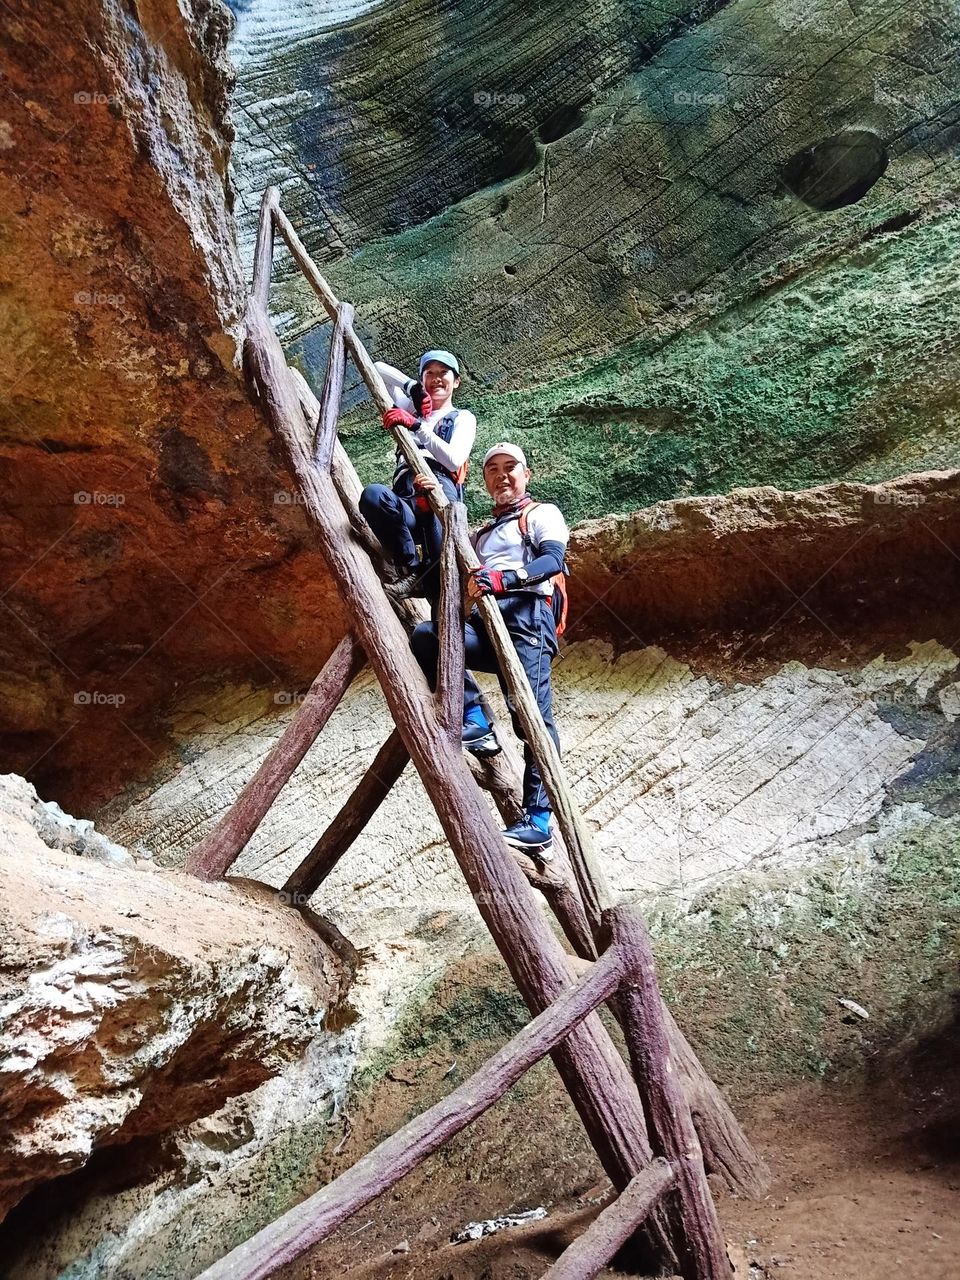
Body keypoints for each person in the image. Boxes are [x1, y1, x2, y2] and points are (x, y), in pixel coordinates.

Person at [410, 442, 569, 859]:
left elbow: (553, 561)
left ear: (526, 474)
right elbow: (446, 559)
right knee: (431, 637)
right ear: (483, 481)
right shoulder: (480, 535)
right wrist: (428, 511)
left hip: (526, 619)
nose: (502, 475)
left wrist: (506, 579)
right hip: (487, 621)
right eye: (493, 469)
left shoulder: (541, 514)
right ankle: (476, 720)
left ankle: (538, 821)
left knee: (530, 717)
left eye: (511, 467)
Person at [359, 350, 477, 600]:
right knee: (374, 496)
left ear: (456, 381)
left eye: (443, 373)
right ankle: (410, 568)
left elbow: (454, 459)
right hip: (406, 491)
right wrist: (410, 386)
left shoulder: (462, 418)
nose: (436, 379)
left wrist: (417, 427)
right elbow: (374, 367)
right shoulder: (408, 406)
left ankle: (430, 584)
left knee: (442, 554)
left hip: (438, 483)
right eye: (429, 373)